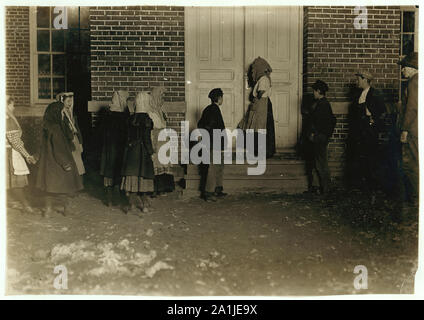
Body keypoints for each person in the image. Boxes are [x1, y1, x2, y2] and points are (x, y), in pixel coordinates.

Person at [35, 92, 85, 216]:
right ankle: (66, 209)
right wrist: (65, 163)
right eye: (62, 112)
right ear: (56, 113)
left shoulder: (48, 126)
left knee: (49, 188)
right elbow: (59, 148)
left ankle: (47, 210)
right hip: (58, 163)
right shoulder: (56, 129)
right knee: (66, 186)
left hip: (49, 163)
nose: (63, 113)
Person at [348, 70, 386, 204]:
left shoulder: (375, 94)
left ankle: (373, 191)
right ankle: (363, 190)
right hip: (359, 134)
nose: (356, 82)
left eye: (358, 79)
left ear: (365, 79)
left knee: (371, 162)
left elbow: (382, 114)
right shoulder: (359, 94)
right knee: (360, 161)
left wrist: (372, 121)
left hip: (369, 135)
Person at [120, 92, 155, 214]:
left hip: (131, 153)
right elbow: (146, 138)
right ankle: (145, 205)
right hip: (142, 153)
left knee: (132, 179)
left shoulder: (130, 118)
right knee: (143, 179)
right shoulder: (147, 119)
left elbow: (126, 137)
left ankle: (131, 206)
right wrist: (151, 151)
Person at [303, 80, 336, 195]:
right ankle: (318, 187)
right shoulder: (322, 103)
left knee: (320, 162)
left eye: (314, 91)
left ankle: (326, 188)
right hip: (320, 136)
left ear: (319, 91)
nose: (313, 93)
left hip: (319, 137)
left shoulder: (322, 105)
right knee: (317, 161)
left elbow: (322, 122)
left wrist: (316, 134)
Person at [6, 95, 38, 214]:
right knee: (16, 183)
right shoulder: (8, 120)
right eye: (12, 105)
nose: (13, 108)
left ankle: (16, 202)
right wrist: (27, 156)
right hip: (8, 154)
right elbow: (16, 143)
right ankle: (26, 205)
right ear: (7, 105)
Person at [239, 57, 276, 158]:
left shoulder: (263, 79)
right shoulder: (263, 78)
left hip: (261, 105)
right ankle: (260, 151)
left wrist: (254, 97)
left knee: (259, 127)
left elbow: (260, 93)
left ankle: (261, 151)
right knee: (259, 127)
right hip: (262, 105)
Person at [100, 90, 130, 207]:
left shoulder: (109, 115)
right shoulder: (123, 116)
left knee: (110, 172)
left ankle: (110, 199)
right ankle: (118, 199)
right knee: (118, 172)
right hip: (119, 148)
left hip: (109, 149)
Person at [197, 88, 227, 202]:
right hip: (214, 143)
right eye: (222, 97)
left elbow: (200, 124)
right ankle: (209, 193)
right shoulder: (214, 110)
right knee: (214, 167)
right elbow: (211, 126)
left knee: (218, 166)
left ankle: (217, 189)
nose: (222, 99)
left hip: (214, 142)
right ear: (219, 98)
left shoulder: (208, 109)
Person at [398, 52, 419, 210]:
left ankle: (416, 198)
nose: (402, 71)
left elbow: (412, 108)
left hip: (413, 130)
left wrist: (404, 129)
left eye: (404, 67)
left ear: (412, 68)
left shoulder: (414, 82)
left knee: (412, 164)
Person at [148, 87, 175, 195]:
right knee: (157, 163)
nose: (162, 98)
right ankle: (155, 189)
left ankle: (164, 187)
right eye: (160, 96)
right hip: (156, 138)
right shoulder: (149, 111)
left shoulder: (161, 110)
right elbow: (151, 128)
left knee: (164, 162)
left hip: (163, 138)